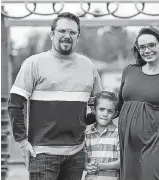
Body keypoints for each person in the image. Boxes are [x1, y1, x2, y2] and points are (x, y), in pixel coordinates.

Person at [8, 12, 103, 180]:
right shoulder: (33, 63)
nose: (67, 36)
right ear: (52, 34)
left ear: (78, 37)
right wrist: (22, 141)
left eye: (72, 32)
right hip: (43, 153)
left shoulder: (88, 66)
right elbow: (15, 104)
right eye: (62, 31)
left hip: (77, 153)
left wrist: (81, 122)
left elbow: (101, 107)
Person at [118, 27, 159, 180]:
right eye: (142, 47)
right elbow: (118, 105)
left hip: (158, 143)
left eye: (151, 45)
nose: (147, 50)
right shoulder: (129, 71)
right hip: (129, 145)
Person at [84, 91, 120, 180]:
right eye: (101, 109)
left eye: (110, 111)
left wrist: (99, 166)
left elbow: (121, 163)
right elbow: (83, 161)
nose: (105, 114)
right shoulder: (87, 133)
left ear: (115, 114)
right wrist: (87, 166)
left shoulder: (118, 134)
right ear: (93, 110)